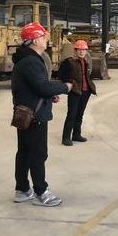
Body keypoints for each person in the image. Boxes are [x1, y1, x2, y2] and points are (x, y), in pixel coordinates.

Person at [12, 22, 72, 207]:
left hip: (25, 113)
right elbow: (43, 86)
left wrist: (49, 95)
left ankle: (22, 190)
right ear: (35, 40)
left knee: (24, 152)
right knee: (38, 154)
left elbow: (33, 87)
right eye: (43, 37)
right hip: (34, 116)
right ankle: (41, 192)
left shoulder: (26, 58)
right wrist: (64, 87)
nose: (46, 40)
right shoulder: (31, 61)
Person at [59, 40, 97, 146]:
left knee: (79, 115)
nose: (81, 52)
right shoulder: (69, 62)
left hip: (85, 92)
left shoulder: (86, 62)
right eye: (79, 50)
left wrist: (90, 86)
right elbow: (61, 75)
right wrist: (70, 84)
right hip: (75, 91)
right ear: (75, 50)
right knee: (71, 114)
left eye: (83, 50)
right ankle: (66, 137)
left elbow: (87, 75)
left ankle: (76, 135)